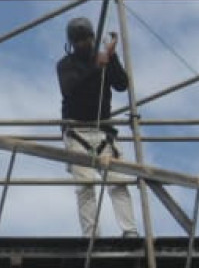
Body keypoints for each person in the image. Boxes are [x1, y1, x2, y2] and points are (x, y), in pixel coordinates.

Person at [56, 16, 138, 239]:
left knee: (118, 182)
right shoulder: (66, 65)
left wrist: (111, 58)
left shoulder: (101, 58)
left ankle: (129, 231)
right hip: (77, 130)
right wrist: (98, 66)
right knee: (85, 185)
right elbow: (70, 89)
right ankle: (91, 235)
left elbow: (122, 84)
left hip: (103, 131)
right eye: (79, 40)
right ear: (72, 43)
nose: (84, 43)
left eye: (87, 39)